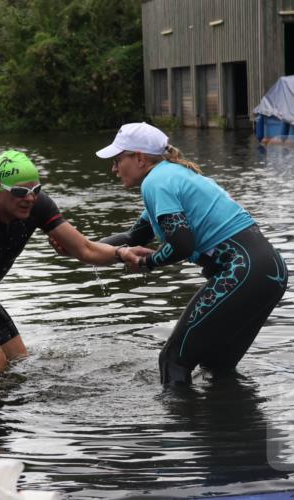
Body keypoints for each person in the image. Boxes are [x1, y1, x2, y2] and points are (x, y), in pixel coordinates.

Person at [96, 122, 289, 385]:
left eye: (118, 159)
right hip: (271, 271)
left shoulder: (156, 182)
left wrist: (146, 262)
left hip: (243, 272)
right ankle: (230, 423)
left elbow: (181, 245)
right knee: (217, 365)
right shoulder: (171, 175)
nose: (114, 168)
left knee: (173, 359)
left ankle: (178, 425)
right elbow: (133, 238)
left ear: (139, 158)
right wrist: (81, 246)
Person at [0, 150, 153, 374]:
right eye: (19, 191)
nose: (29, 198)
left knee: (19, 365)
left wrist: (122, 253)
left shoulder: (37, 206)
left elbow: (85, 248)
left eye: (36, 190)